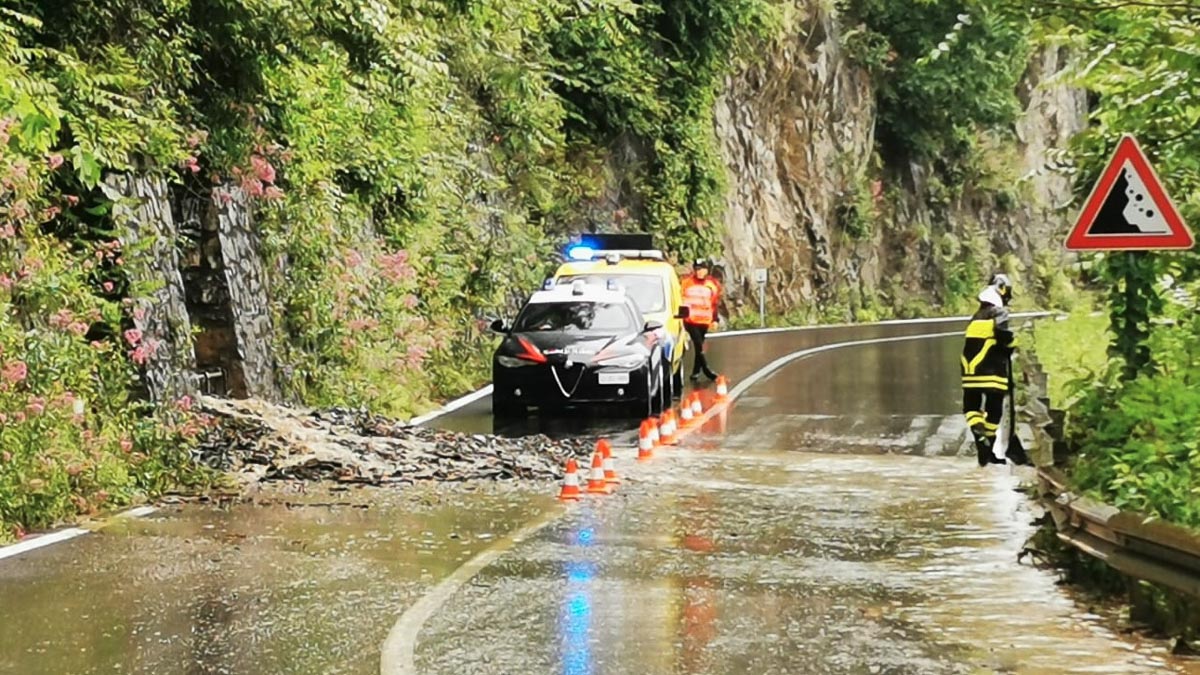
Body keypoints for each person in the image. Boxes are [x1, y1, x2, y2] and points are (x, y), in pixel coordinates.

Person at [961, 273, 1029, 466]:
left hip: (969, 371)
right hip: (992, 371)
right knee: (994, 410)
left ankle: (981, 441)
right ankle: (988, 445)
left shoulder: (975, 317)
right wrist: (1013, 344)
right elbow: (1003, 335)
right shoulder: (999, 313)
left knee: (971, 407)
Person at [681, 258, 722, 382]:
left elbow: (714, 303)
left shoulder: (712, 284)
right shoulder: (686, 283)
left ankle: (695, 371)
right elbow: (680, 300)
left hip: (704, 321)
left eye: (701, 269)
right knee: (698, 344)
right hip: (690, 320)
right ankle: (706, 369)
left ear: (706, 270)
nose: (699, 272)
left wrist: (715, 319)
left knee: (700, 345)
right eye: (697, 269)